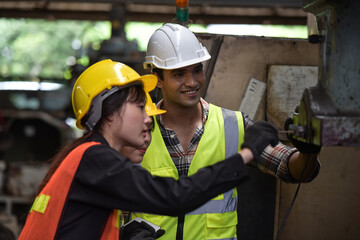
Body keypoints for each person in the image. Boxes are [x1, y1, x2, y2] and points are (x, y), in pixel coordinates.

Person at [18, 59, 279, 240]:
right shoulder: (95, 159)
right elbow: (175, 197)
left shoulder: (86, 156)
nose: (147, 118)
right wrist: (247, 153)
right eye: (139, 106)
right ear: (108, 112)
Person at [130, 23, 322, 240]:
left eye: (197, 70)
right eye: (178, 74)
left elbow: (291, 168)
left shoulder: (233, 125)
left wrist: (308, 150)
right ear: (157, 78)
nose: (192, 82)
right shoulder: (136, 130)